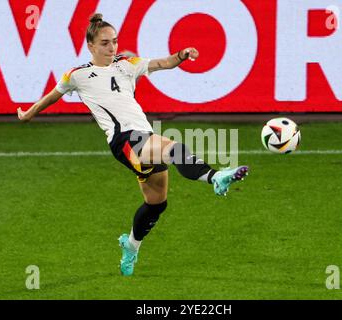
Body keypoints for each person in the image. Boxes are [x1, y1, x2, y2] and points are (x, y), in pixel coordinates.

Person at [17, 13, 249, 276]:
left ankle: (131, 245)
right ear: (91, 45)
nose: (112, 47)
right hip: (124, 140)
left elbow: (164, 62)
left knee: (157, 203)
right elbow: (52, 97)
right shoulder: (77, 75)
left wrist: (182, 54)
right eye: (105, 43)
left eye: (114, 41)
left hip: (143, 135)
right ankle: (216, 177)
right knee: (173, 148)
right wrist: (29, 113)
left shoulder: (128, 64)